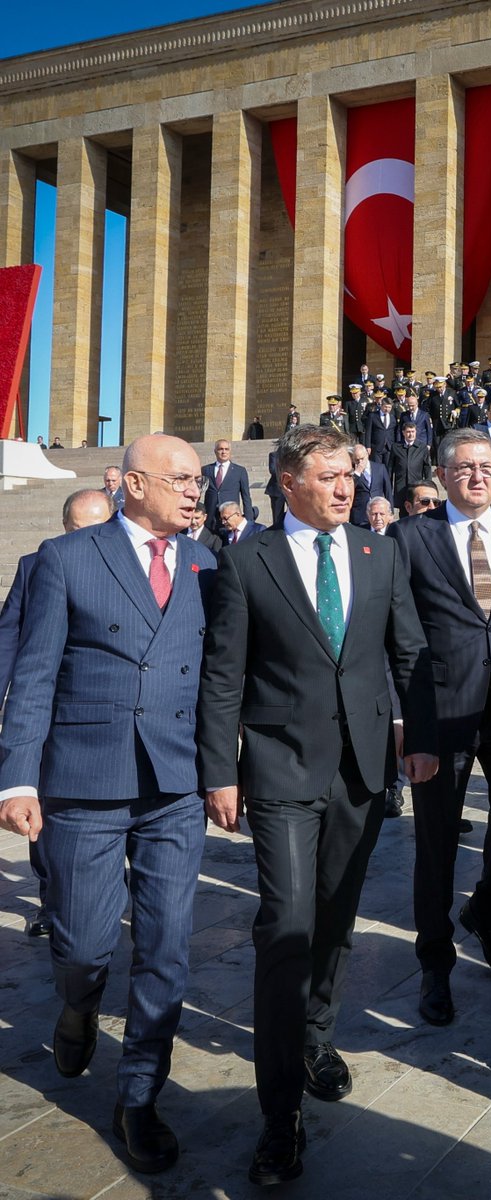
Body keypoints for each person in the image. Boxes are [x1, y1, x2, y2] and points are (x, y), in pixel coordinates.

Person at [199, 425, 438, 1186]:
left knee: (335, 917)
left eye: (354, 475)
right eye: (332, 475)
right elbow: (224, 676)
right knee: (287, 926)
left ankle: (315, 1035)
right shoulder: (245, 564)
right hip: (279, 769)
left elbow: (408, 652)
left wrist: (420, 737)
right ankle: (279, 1117)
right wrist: (220, 772)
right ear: (289, 480)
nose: (348, 488)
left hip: (362, 771)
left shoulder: (381, 553)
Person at [0, 437, 216, 1174]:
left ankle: (139, 1096)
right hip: (84, 783)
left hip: (175, 788)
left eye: (197, 480)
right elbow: (33, 674)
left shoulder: (205, 562)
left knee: (166, 946)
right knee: (86, 944)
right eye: (180, 480)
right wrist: (17, 779)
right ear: (131, 484)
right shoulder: (67, 559)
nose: (195, 492)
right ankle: (78, 1002)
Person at [388, 429, 491, 1027]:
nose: (479, 476)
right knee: (438, 846)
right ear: (444, 476)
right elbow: (398, 633)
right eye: (466, 468)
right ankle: (434, 964)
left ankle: (487, 913)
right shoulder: (409, 536)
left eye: (488, 467)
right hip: (440, 714)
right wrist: (410, 730)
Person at [0, 488, 116, 938]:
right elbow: (9, 635)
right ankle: (53, 898)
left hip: (111, 713)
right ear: (64, 529)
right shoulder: (37, 565)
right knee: (43, 810)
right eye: (76, 532)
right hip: (53, 711)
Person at [202, 439, 254, 533]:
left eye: (226, 449)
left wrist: (249, 520)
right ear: (215, 451)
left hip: (230, 517)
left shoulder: (239, 471)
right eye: (220, 449)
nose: (224, 452)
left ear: (230, 451)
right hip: (210, 517)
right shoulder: (206, 470)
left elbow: (246, 497)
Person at [348, 444, 393, 528]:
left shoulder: (380, 468)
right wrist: (357, 473)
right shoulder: (351, 471)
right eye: (357, 460)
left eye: (362, 458)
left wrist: (391, 512)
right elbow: (349, 489)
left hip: (378, 513)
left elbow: (388, 491)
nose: (360, 462)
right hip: (360, 514)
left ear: (367, 455)